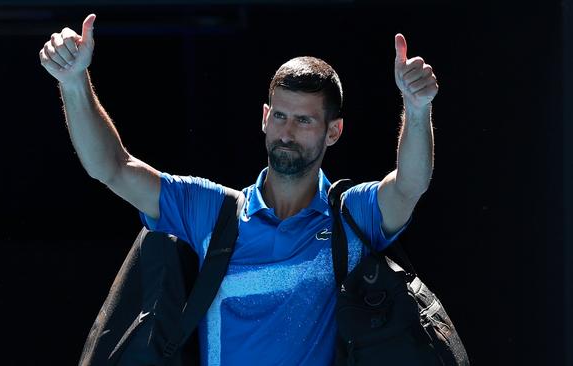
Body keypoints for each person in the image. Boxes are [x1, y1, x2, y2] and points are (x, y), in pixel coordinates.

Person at [39, 13, 438, 366]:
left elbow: (409, 185)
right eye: (280, 116)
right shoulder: (213, 212)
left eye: (304, 121)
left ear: (334, 131)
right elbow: (112, 167)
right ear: (265, 118)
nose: (287, 132)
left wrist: (418, 109)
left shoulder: (351, 215)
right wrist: (74, 82)